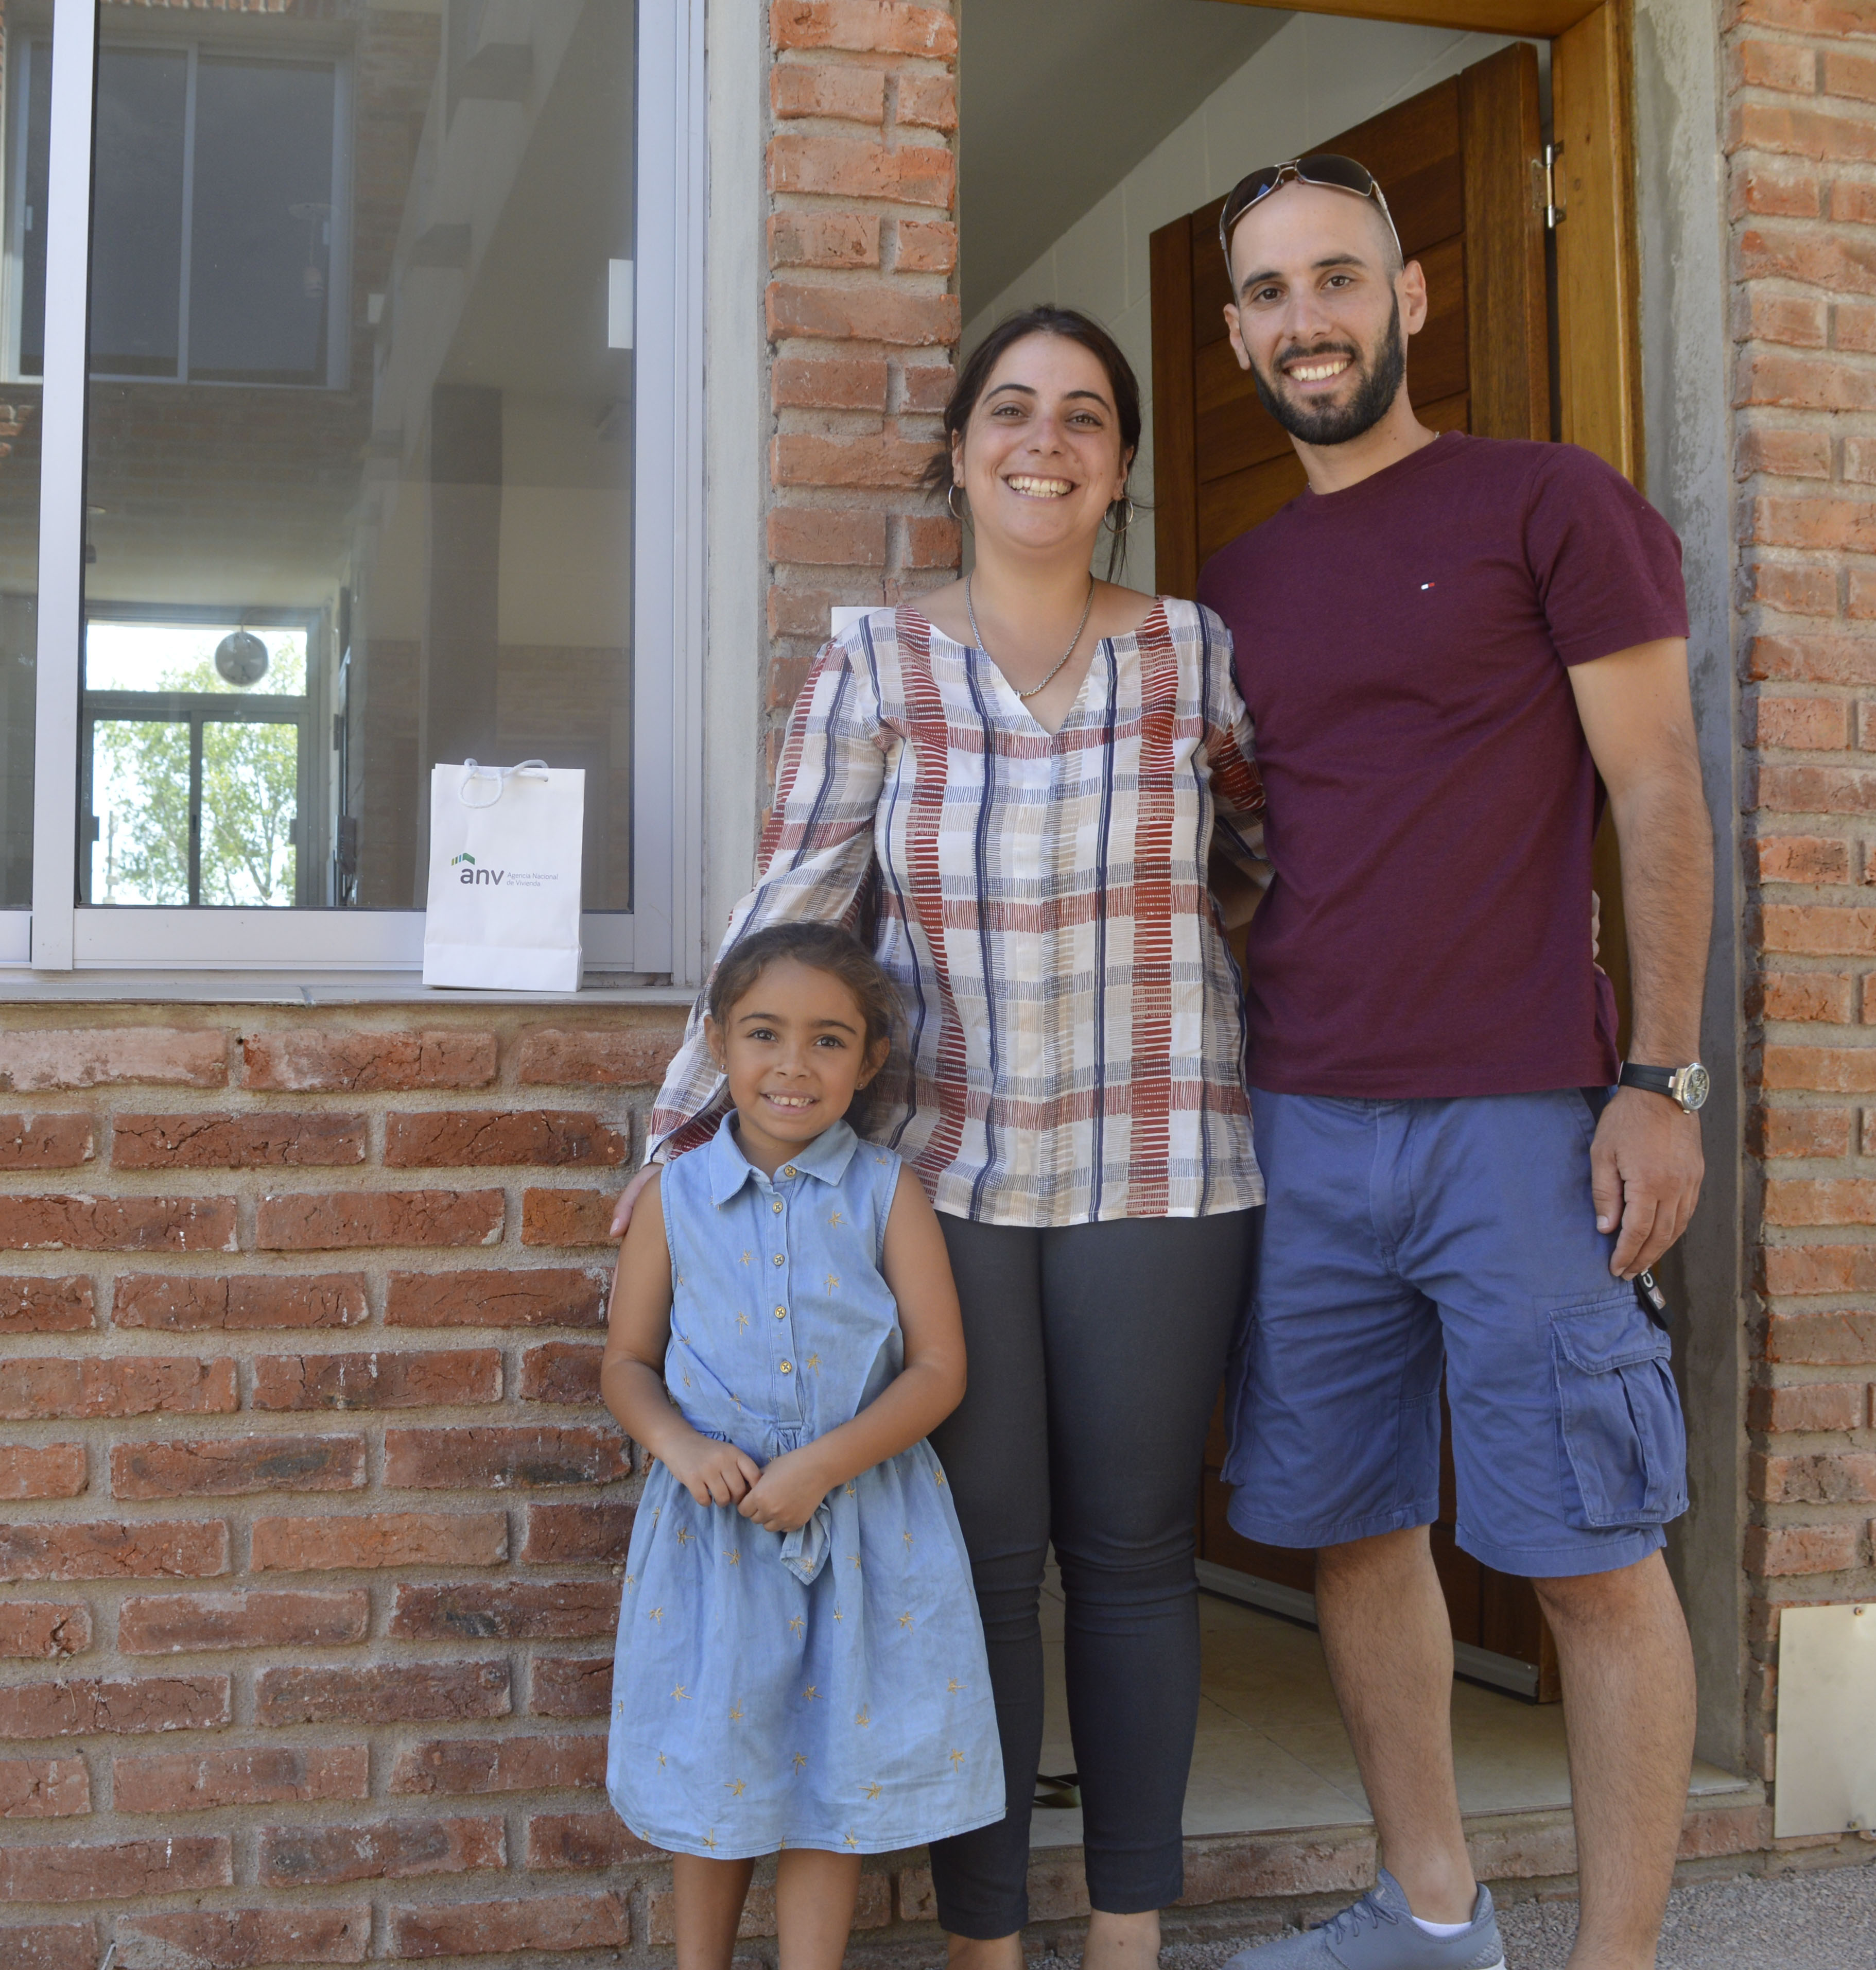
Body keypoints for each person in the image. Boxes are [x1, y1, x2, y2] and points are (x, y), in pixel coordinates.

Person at [615, 306, 1269, 1970]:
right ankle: (987, 1942)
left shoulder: (1194, 650)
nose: (1042, 441)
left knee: (1131, 1554)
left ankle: (1121, 1936)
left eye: (1082, 418)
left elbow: (1266, 859)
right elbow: (796, 900)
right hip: (949, 1169)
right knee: (975, 1570)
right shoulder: (876, 661)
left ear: (1118, 464)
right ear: (960, 450)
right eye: (1009, 411)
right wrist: (682, 1136)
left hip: (1163, 1158)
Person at [1197, 157, 1715, 1970]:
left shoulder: (1545, 504)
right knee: (1348, 1526)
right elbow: (1249, 847)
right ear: (1240, 329)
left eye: (1336, 279)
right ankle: (1431, 1915)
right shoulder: (1235, 577)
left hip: (1521, 1118)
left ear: (1408, 294)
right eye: (1269, 294)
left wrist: (1661, 1076)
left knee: (1585, 1550)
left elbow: (1655, 784)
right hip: (1302, 1120)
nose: (1306, 320)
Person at [602, 922, 1001, 1970]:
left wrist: (826, 1461)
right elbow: (626, 1361)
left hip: (862, 1523)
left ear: (870, 1062)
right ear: (720, 1045)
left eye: (828, 1040)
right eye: (763, 1033)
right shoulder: (673, 1198)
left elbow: (937, 1368)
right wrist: (680, 1447)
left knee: (832, 1771)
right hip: (714, 1531)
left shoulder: (886, 1191)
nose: (791, 1064)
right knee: (714, 1764)